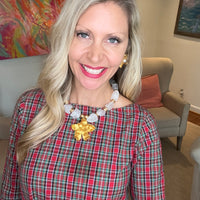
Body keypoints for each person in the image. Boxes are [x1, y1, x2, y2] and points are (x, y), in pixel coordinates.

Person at [0, 0, 165, 199]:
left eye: (112, 39)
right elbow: (10, 192)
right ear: (65, 39)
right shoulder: (28, 107)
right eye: (83, 34)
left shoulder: (140, 126)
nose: (95, 56)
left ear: (127, 49)